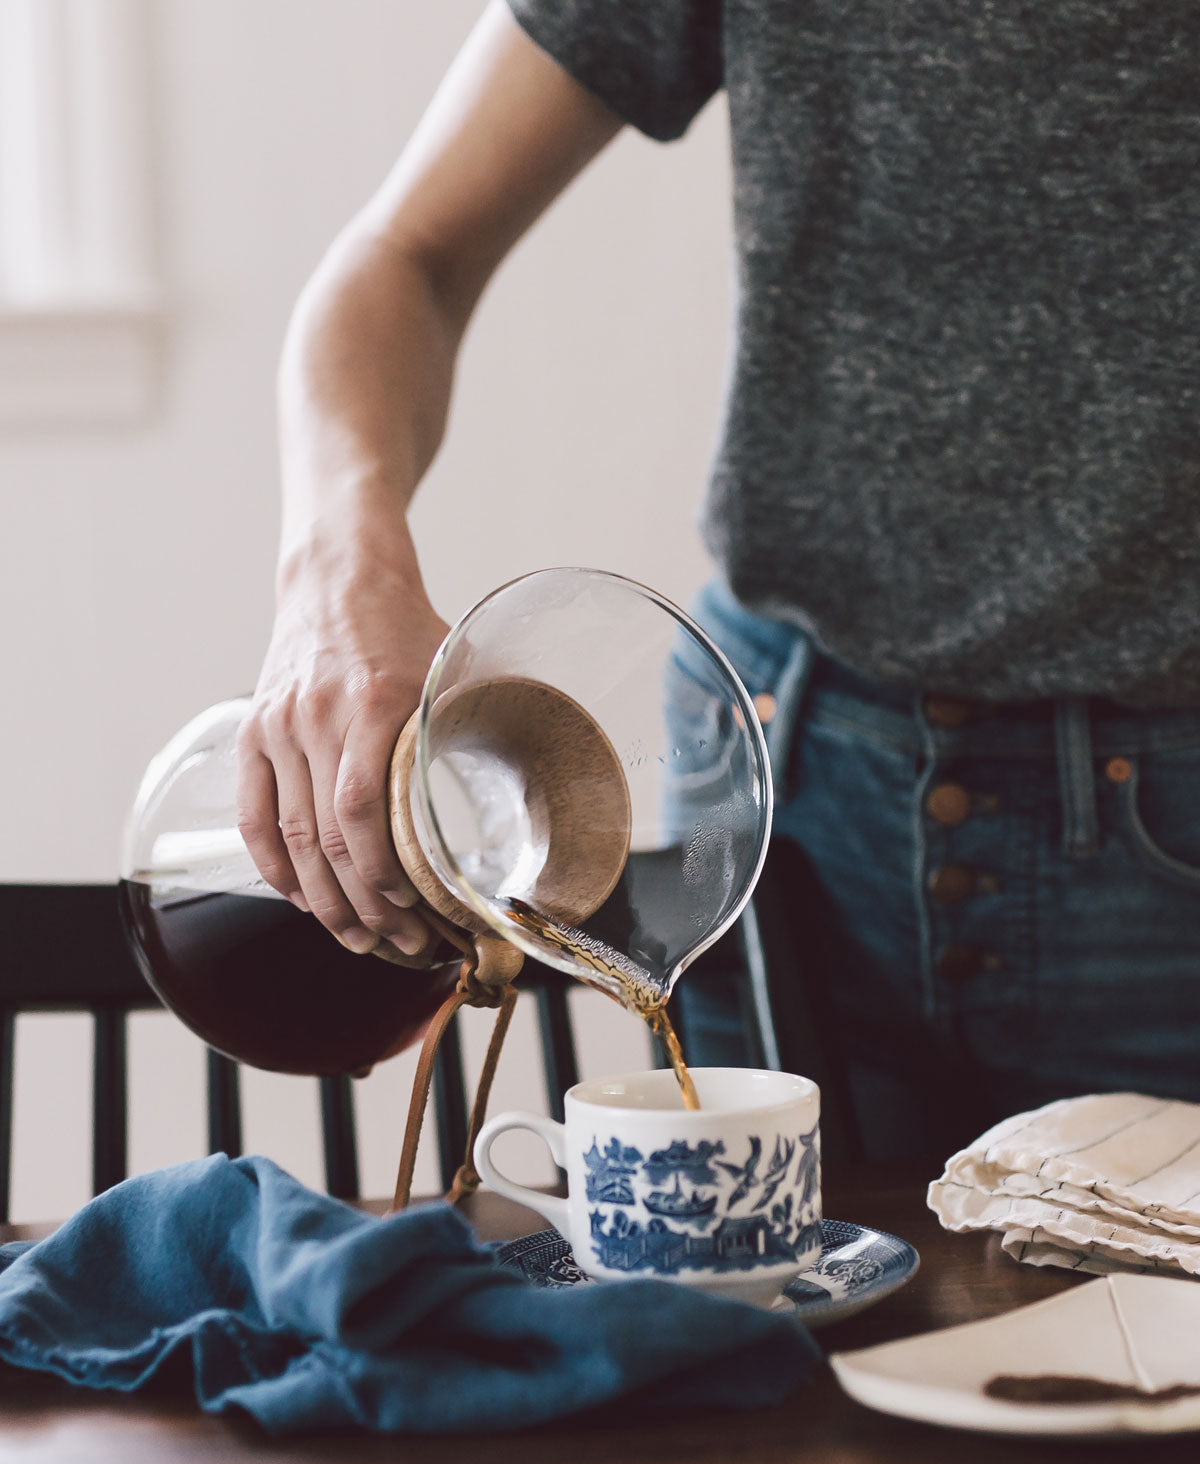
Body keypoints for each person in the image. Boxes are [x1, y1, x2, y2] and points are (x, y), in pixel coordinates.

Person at [237, 0, 1200, 1158]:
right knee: (761, 1328)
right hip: (782, 782)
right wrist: (333, 577)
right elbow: (405, 258)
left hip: (1172, 841)